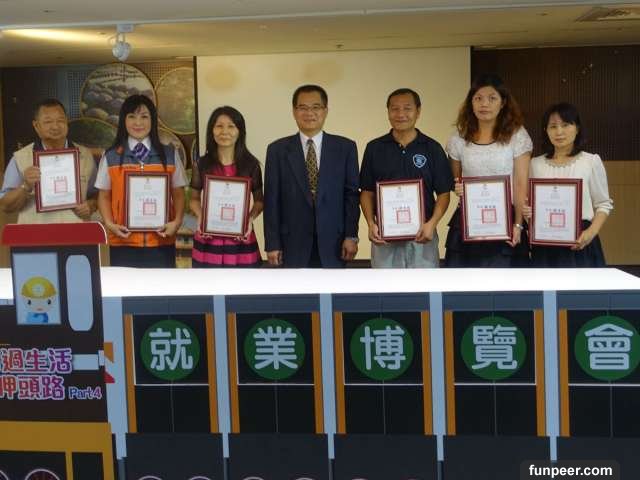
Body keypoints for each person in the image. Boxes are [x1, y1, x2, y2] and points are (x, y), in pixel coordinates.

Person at [263, 84, 359, 268]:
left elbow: (351, 196)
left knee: (332, 287)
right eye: (303, 107)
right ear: (294, 111)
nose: (309, 113)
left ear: (325, 111)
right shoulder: (277, 150)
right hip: (291, 243)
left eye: (316, 107)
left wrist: (351, 236)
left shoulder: (345, 148)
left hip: (335, 242)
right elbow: (272, 200)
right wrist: (272, 243)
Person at [444, 73, 533, 267]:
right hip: (468, 218)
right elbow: (456, 179)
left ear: (503, 103)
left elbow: (520, 184)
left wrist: (518, 224)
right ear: (471, 103)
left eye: (492, 98)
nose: (484, 104)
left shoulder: (517, 135)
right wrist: (457, 187)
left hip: (506, 219)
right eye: (478, 98)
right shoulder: (458, 138)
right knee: (463, 280)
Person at [360, 88, 453, 268]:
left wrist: (432, 224)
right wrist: (371, 224)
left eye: (407, 108)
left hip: (423, 236)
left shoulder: (432, 148)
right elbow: (366, 192)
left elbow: (444, 193)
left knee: (423, 285)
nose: (400, 114)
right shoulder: (374, 148)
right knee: (385, 285)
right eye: (394, 109)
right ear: (388, 112)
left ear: (418, 111)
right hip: (384, 238)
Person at [95, 95, 186, 268]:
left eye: (144, 116)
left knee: (161, 286)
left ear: (152, 120)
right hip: (122, 241)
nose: (138, 123)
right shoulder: (111, 156)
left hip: (161, 241)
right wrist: (109, 224)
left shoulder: (169, 154)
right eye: (132, 116)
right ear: (124, 120)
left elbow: (178, 193)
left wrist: (177, 222)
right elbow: (104, 195)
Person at [525, 103, 612, 267]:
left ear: (577, 128)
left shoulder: (591, 161)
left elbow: (603, 204)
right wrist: (527, 211)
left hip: (581, 239)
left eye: (565, 125)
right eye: (553, 126)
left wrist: (590, 233)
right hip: (545, 242)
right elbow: (529, 203)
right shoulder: (535, 164)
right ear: (545, 131)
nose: (559, 132)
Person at [0, 98, 97, 223]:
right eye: (48, 122)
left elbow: (97, 194)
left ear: (66, 122)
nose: (55, 126)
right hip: (35, 233)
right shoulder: (20, 158)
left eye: (60, 120)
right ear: (36, 126)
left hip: (75, 231)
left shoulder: (85, 156)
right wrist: (25, 186)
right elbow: (5, 206)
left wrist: (91, 205)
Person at [190, 106, 263, 267]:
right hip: (208, 239)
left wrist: (249, 220)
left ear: (240, 131)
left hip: (240, 239)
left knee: (242, 282)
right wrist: (201, 217)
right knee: (207, 281)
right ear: (211, 130)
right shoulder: (201, 164)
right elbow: (194, 198)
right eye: (219, 126)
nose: (225, 131)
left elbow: (259, 201)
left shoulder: (251, 166)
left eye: (231, 126)